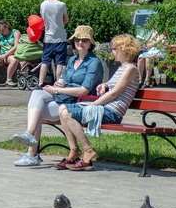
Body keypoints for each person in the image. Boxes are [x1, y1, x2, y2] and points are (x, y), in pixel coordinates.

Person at [10, 25, 104, 167]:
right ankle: (29, 138)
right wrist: (59, 85)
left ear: (90, 43)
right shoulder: (72, 60)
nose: (80, 42)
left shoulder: (94, 62)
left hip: (77, 104)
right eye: (77, 39)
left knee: (36, 112)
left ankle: (32, 154)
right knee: (36, 94)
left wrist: (56, 91)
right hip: (64, 98)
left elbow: (84, 90)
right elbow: (65, 80)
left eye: (84, 40)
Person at [56, 34, 141, 171]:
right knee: (62, 108)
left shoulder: (130, 69)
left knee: (67, 114)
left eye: (115, 49)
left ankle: (88, 150)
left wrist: (93, 105)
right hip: (105, 108)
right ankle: (74, 150)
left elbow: (114, 93)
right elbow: (114, 86)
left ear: (125, 49)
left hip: (113, 111)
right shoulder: (122, 67)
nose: (112, 52)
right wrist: (105, 85)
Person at [39, 0, 70, 87]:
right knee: (60, 62)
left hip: (48, 37)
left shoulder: (43, 4)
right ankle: (58, 82)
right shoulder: (61, 5)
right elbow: (66, 20)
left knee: (45, 61)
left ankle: (40, 82)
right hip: (60, 37)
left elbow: (41, 19)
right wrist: (61, 22)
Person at [0, 20, 22, 87]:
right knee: (14, 60)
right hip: (5, 54)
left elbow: (16, 46)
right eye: (0, 30)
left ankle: (26, 80)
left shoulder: (15, 32)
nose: (1, 32)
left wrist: (5, 55)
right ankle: (8, 79)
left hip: (16, 53)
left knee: (24, 62)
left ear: (7, 27)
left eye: (3, 30)